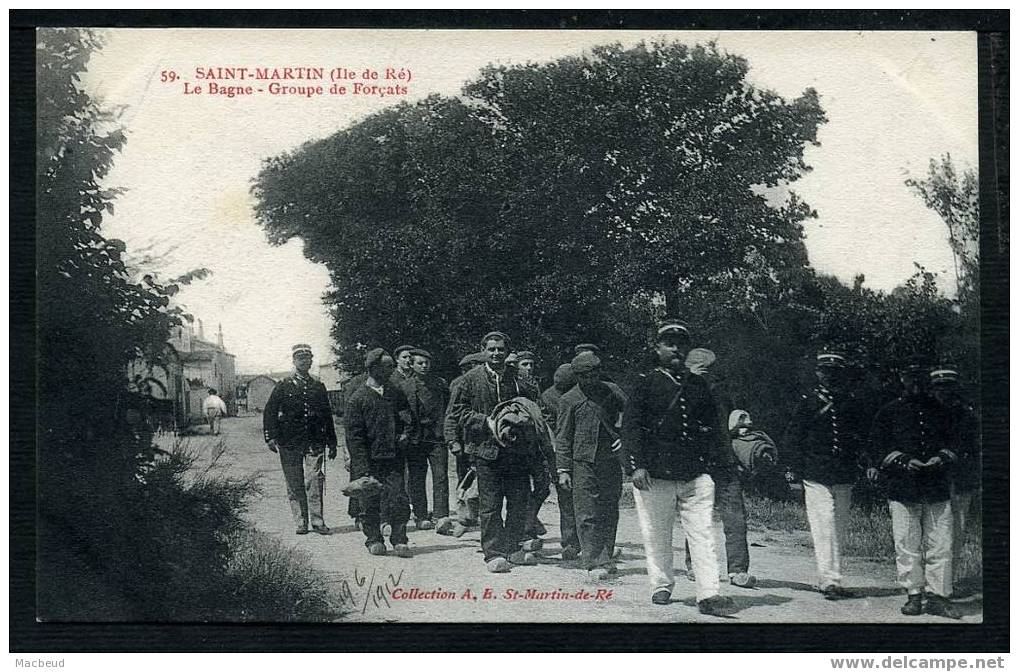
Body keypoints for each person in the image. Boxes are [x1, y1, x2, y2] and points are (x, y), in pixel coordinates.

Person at [621, 320, 732, 616]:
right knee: (657, 532)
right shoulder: (645, 383)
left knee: (703, 533)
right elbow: (631, 427)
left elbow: (713, 428)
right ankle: (661, 584)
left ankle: (709, 592)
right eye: (669, 343)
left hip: (695, 473)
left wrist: (714, 467)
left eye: (681, 344)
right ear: (657, 348)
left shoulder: (698, 385)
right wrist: (636, 466)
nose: (676, 349)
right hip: (655, 473)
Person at [869, 362, 962, 619]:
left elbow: (957, 440)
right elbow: (876, 446)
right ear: (902, 378)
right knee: (907, 543)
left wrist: (942, 457)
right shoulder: (889, 412)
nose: (916, 384)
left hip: (936, 486)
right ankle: (914, 595)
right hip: (903, 487)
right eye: (911, 378)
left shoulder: (943, 412)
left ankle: (939, 597)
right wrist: (902, 460)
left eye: (921, 378)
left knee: (941, 543)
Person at [447, 331, 542, 573]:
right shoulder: (470, 379)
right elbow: (458, 413)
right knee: (490, 504)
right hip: (485, 450)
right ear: (483, 350)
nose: (496, 353)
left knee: (518, 500)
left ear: (507, 351)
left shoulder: (517, 377)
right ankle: (493, 553)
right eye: (491, 349)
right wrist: (487, 422)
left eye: (501, 349)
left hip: (516, 450)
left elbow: (533, 403)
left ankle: (513, 548)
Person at [782, 351, 870, 600]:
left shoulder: (850, 403)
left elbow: (859, 436)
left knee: (839, 526)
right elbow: (793, 438)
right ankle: (828, 580)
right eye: (825, 371)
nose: (829, 376)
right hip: (816, 472)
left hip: (843, 472)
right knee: (824, 524)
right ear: (818, 373)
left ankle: (834, 577)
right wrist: (794, 470)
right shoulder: (808, 402)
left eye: (835, 372)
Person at [682, 349, 757, 589]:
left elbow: (736, 421)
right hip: (695, 463)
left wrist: (740, 429)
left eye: (708, 369)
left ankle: (738, 570)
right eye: (699, 368)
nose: (706, 373)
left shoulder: (722, 393)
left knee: (735, 515)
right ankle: (693, 563)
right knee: (696, 516)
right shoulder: (679, 393)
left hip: (724, 460)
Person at [555, 351, 627, 580]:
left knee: (609, 509)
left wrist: (623, 438)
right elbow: (563, 436)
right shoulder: (569, 400)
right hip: (582, 463)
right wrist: (563, 469)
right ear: (577, 376)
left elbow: (632, 417)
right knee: (586, 513)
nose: (591, 379)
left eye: (594, 373)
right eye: (585, 376)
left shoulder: (612, 391)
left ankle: (605, 554)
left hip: (610, 461)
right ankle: (594, 561)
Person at [263, 344, 338, 536]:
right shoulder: (283, 386)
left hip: (314, 440)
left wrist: (332, 441)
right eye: (301, 358)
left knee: (314, 480)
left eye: (308, 358)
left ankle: (318, 520)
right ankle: (301, 521)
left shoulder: (318, 386)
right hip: (289, 441)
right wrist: (270, 437)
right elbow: (270, 411)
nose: (305, 361)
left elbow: (326, 415)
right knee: (294, 482)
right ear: (294, 361)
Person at [345, 348, 413, 558]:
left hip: (393, 458)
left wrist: (405, 434)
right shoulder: (358, 398)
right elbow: (353, 437)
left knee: (399, 499)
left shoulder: (395, 393)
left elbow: (408, 417)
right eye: (387, 367)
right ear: (373, 368)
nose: (391, 371)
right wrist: (362, 468)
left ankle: (400, 540)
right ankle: (374, 539)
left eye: (392, 367)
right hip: (369, 461)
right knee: (369, 502)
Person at [928, 368, 980, 592]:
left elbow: (971, 447)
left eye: (948, 386)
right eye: (939, 386)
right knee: (933, 533)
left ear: (955, 387)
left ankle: (945, 583)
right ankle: (931, 583)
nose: (943, 391)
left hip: (959, 479)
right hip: (931, 481)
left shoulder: (966, 415)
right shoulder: (925, 413)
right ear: (932, 388)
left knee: (955, 533)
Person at [406, 348, 450, 530]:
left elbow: (449, 407)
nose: (424, 366)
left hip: (437, 437)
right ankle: (421, 515)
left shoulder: (440, 384)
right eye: (420, 363)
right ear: (412, 364)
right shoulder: (405, 386)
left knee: (441, 476)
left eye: (427, 363)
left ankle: (441, 516)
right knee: (417, 477)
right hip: (416, 439)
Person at [542, 363, 580, 559]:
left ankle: (574, 543)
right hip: (561, 451)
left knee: (570, 500)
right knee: (568, 499)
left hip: (567, 451)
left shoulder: (549, 395)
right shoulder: (551, 397)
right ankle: (572, 543)